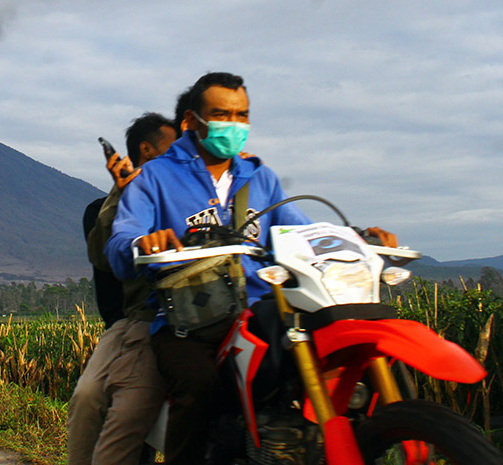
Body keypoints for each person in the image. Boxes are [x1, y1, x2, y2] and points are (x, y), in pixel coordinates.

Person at [105, 72, 396, 464]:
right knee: (199, 385)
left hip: (261, 308)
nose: (235, 125)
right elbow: (120, 242)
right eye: (222, 114)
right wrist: (143, 241)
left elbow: (301, 229)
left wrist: (358, 237)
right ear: (192, 120)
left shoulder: (259, 176)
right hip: (190, 321)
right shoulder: (155, 177)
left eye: (242, 115)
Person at [68, 112, 178, 465]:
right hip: (139, 320)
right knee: (88, 398)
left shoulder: (192, 198)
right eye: (172, 151)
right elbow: (104, 258)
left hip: (205, 313)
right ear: (146, 151)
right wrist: (123, 191)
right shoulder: (105, 210)